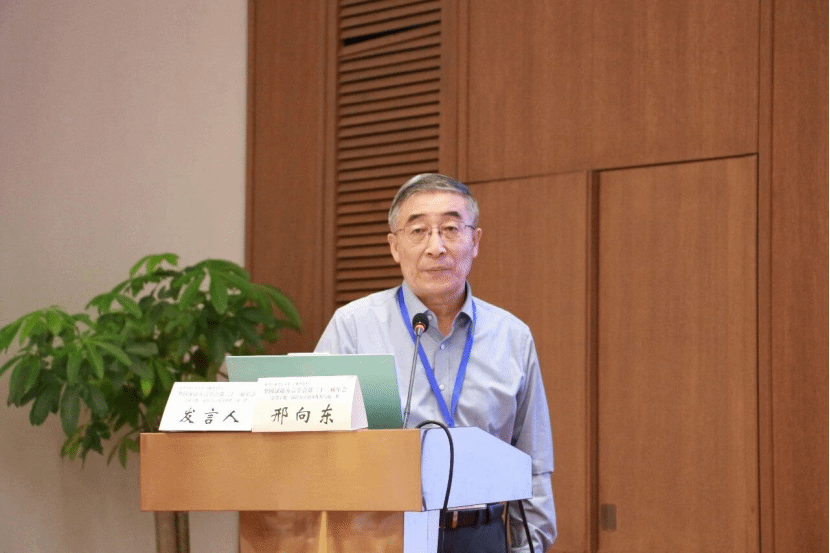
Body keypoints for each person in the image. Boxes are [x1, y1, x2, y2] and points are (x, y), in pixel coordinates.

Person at [315, 173, 557, 552]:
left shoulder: (512, 336)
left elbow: (534, 460)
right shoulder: (353, 327)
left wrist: (529, 547)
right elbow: (317, 444)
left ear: (475, 241)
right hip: (382, 534)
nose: (436, 247)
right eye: (418, 231)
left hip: (481, 534)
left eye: (450, 229)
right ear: (395, 246)